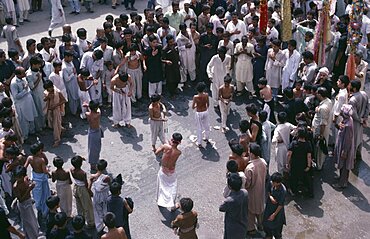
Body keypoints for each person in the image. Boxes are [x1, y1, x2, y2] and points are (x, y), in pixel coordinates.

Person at [24, 142, 51, 228]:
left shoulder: (29, 158)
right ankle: (42, 211)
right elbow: (44, 170)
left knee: (38, 193)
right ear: (38, 151)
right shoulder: (41, 160)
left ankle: (40, 207)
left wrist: (25, 176)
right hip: (41, 177)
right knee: (44, 193)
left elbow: (25, 167)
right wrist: (49, 173)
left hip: (35, 177)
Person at [155, 133, 183, 210]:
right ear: (179, 142)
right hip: (171, 171)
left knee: (160, 186)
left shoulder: (165, 146)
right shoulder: (178, 152)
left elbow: (156, 152)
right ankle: (172, 205)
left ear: (172, 140)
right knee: (172, 188)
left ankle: (159, 201)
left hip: (163, 170)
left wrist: (164, 145)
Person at [10, 66, 38, 141]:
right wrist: (25, 90)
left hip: (29, 102)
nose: (25, 73)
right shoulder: (14, 83)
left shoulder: (23, 78)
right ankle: (25, 137)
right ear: (18, 74)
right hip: (22, 105)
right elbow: (16, 96)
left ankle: (32, 132)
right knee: (24, 122)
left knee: (31, 118)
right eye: (23, 73)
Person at [244, 143, 267, 235]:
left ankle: (251, 229)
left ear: (252, 153)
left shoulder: (250, 168)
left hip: (252, 192)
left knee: (251, 212)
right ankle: (261, 225)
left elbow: (247, 184)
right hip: (261, 190)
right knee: (260, 209)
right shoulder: (263, 162)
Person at [219, 172, 248, 239]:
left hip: (232, 228)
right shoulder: (245, 192)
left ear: (230, 186)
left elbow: (221, 208)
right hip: (243, 224)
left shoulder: (229, 200)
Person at [13, 165, 39, 239]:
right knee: (28, 222)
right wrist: (29, 189)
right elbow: (21, 200)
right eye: (16, 177)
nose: (17, 178)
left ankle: (34, 233)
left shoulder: (25, 179)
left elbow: (29, 182)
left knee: (32, 219)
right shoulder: (16, 186)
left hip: (29, 202)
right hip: (23, 205)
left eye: (19, 177)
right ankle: (31, 236)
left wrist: (31, 183)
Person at [287, 127, 313, 197]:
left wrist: (287, 163)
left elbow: (289, 154)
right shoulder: (308, 144)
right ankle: (307, 190)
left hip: (295, 164)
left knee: (293, 178)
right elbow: (309, 156)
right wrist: (308, 166)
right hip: (303, 164)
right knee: (305, 177)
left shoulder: (293, 143)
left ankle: (293, 191)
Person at [70, 156, 95, 228]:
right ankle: (90, 222)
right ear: (81, 164)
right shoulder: (82, 173)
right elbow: (86, 184)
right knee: (87, 206)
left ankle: (81, 218)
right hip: (82, 189)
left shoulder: (71, 170)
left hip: (76, 187)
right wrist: (89, 192)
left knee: (79, 205)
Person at [311, 87, 332, 170]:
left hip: (320, 130)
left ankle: (319, 165)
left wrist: (320, 135)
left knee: (319, 148)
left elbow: (323, 124)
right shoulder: (328, 101)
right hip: (322, 128)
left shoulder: (323, 108)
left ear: (320, 95)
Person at [348, 80, 369, 161]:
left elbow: (353, 113)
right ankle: (358, 154)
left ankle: (352, 158)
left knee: (353, 140)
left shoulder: (352, 99)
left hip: (355, 121)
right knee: (360, 138)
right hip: (361, 119)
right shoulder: (364, 94)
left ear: (354, 88)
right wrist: (365, 118)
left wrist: (360, 120)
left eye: (350, 86)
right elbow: (368, 107)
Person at [89, 159, 111, 233]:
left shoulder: (92, 177)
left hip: (97, 197)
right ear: (105, 168)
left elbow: (88, 188)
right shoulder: (106, 178)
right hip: (105, 196)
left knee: (97, 212)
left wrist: (92, 194)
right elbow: (110, 186)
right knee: (105, 210)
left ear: (96, 167)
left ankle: (99, 227)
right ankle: (108, 225)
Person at [263, 172, 286, 239]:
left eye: (274, 182)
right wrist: (270, 197)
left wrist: (274, 214)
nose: (272, 183)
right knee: (267, 224)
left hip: (277, 211)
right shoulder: (271, 183)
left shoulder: (283, 191)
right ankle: (268, 235)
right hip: (269, 207)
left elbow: (280, 205)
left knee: (277, 229)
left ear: (279, 182)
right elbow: (268, 191)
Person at [43, 80, 67, 147]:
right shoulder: (47, 92)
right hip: (49, 110)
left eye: (48, 88)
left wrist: (56, 105)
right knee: (51, 124)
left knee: (55, 126)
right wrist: (48, 97)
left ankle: (57, 140)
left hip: (56, 110)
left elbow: (64, 100)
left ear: (51, 87)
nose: (48, 90)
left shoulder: (57, 92)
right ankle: (61, 129)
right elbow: (44, 99)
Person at [26, 56, 45, 132]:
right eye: (38, 64)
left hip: (41, 92)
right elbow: (32, 87)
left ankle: (44, 125)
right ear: (33, 64)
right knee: (38, 111)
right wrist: (39, 79)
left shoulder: (37, 69)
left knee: (43, 110)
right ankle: (39, 128)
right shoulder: (29, 74)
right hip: (36, 95)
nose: (39, 66)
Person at [85, 100, 102, 173]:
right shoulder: (98, 114)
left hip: (91, 131)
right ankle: (94, 165)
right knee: (96, 148)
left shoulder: (87, 114)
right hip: (96, 132)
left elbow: (90, 111)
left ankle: (93, 164)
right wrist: (89, 106)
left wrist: (88, 106)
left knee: (92, 148)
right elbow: (98, 110)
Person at [192, 82, 210, 148]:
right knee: (206, 125)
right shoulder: (206, 95)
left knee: (199, 128)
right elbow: (208, 104)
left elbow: (193, 107)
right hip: (205, 111)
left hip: (199, 112)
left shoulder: (195, 97)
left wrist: (197, 105)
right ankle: (207, 137)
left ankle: (199, 143)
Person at [62, 51, 80, 115]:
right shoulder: (64, 67)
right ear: (66, 57)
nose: (72, 58)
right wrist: (73, 73)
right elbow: (66, 79)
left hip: (75, 83)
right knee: (72, 99)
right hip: (70, 85)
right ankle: (73, 112)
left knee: (76, 96)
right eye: (71, 57)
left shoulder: (70, 62)